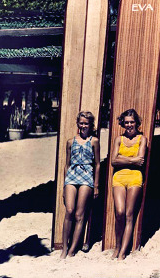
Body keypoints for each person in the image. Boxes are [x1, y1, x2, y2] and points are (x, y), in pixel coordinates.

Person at [61, 111, 100, 259]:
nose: (83, 126)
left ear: (91, 125)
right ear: (78, 123)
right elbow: (67, 164)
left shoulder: (94, 141)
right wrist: (65, 185)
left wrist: (96, 185)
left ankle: (72, 250)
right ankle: (64, 248)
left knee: (79, 214)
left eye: (86, 123)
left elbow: (97, 165)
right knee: (69, 210)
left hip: (86, 177)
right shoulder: (71, 142)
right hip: (72, 176)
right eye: (81, 123)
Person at [111, 108, 147, 260]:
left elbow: (141, 161)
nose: (129, 125)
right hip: (118, 177)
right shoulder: (118, 139)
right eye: (126, 122)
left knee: (129, 214)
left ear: (136, 123)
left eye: (132, 122)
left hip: (135, 178)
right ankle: (117, 246)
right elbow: (113, 161)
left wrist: (123, 159)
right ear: (122, 124)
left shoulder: (142, 139)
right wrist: (132, 160)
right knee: (119, 212)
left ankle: (123, 252)